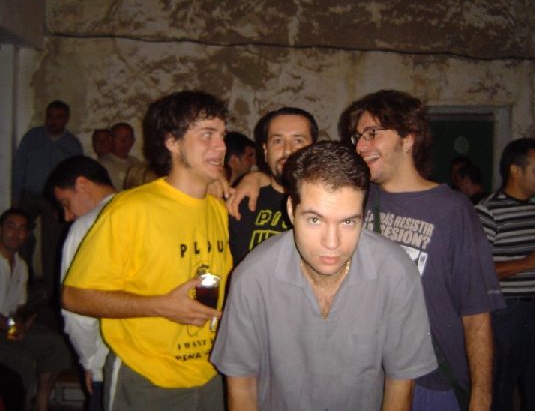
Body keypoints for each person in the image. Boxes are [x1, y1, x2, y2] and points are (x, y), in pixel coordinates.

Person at [212, 141, 437, 411]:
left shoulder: (396, 273)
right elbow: (242, 386)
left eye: (348, 222)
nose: (332, 243)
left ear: (363, 216)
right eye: (315, 220)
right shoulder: (252, 278)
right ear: (291, 211)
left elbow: (400, 384)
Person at [62, 91, 233, 410]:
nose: (221, 146)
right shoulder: (131, 209)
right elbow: (74, 296)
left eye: (222, 135)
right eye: (207, 134)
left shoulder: (218, 210)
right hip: (146, 378)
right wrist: (161, 306)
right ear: (172, 141)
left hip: (211, 374)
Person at [340, 90, 504, 411]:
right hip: (368, 379)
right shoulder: (356, 198)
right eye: (357, 137)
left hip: (432, 382)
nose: (360, 146)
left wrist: (481, 398)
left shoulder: (453, 210)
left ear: (408, 137)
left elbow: (476, 314)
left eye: (372, 134)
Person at [476, 138, 535, 411]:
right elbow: (477, 272)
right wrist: (528, 262)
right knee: (500, 392)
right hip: (506, 314)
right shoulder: (487, 211)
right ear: (515, 170)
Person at [46, 155, 117, 411]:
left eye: (66, 203)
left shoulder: (86, 226)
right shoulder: (144, 210)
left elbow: (76, 309)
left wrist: (90, 363)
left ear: (83, 186)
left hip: (110, 360)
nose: (67, 216)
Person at [0, 208, 72, 411]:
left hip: (8, 328)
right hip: (4, 329)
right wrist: (13, 326)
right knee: (23, 361)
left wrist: (20, 323)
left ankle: (41, 404)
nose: (16, 233)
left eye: (22, 229)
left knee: (56, 347)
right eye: (11, 227)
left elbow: (20, 305)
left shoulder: (21, 265)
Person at [11, 100, 83, 299]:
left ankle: (51, 290)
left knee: (53, 242)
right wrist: (15, 197)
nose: (53, 121)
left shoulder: (72, 144)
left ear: (66, 119)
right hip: (30, 194)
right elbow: (19, 166)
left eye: (58, 117)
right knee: (21, 236)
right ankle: (22, 281)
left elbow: (74, 175)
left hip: (54, 200)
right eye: (50, 116)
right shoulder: (32, 137)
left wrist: (66, 203)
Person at [229, 107, 318, 266]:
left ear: (314, 149)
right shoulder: (239, 201)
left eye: (298, 140)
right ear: (265, 151)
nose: (287, 150)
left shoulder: (330, 204)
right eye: (278, 141)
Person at [99, 122, 140, 190]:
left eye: (128, 138)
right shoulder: (103, 165)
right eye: (119, 138)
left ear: (133, 141)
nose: (124, 142)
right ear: (111, 140)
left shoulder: (136, 163)